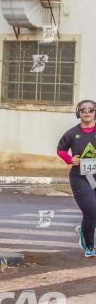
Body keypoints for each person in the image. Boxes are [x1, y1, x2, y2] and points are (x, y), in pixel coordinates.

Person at [56, 99, 96, 257]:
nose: (87, 112)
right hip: (80, 177)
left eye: (91, 110)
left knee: (92, 213)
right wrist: (70, 159)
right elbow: (60, 150)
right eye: (83, 110)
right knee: (92, 211)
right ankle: (89, 246)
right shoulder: (72, 133)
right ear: (78, 113)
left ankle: (82, 231)